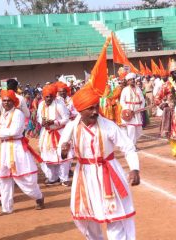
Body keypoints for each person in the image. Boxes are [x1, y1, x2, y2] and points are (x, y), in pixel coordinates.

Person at [59, 83, 140, 240]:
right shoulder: (71, 127)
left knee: (115, 216)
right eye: (90, 108)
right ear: (80, 110)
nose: (95, 111)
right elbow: (62, 152)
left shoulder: (108, 126)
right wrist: (63, 151)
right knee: (88, 219)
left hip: (109, 174)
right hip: (84, 176)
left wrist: (135, 169)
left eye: (96, 107)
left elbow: (128, 147)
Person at [0, 90, 44, 215]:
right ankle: (6, 208)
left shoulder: (18, 114)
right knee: (4, 179)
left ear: (14, 102)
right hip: (5, 149)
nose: (6, 103)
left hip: (17, 148)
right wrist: (2, 133)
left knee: (25, 178)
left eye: (8, 100)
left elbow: (14, 131)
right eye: (4, 100)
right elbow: (8, 132)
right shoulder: (3, 115)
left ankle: (38, 196)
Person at [155, 60, 176, 164]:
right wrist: (164, 105)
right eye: (175, 72)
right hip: (173, 114)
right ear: (171, 74)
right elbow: (157, 98)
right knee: (174, 137)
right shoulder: (166, 85)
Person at [37, 84, 72, 186]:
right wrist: (42, 122)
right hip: (46, 133)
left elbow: (66, 118)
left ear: (54, 96)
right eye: (46, 96)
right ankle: (53, 178)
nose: (48, 98)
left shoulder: (59, 104)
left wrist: (55, 122)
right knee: (48, 156)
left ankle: (64, 178)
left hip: (59, 133)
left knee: (63, 156)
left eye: (50, 96)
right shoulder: (41, 104)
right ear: (43, 96)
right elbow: (39, 117)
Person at [120, 72, 145, 146]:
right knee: (131, 130)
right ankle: (132, 146)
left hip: (137, 113)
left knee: (139, 131)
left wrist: (141, 108)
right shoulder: (125, 90)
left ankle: (130, 143)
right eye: (131, 80)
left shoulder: (138, 89)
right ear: (128, 81)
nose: (133, 81)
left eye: (133, 79)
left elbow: (142, 100)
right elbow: (122, 101)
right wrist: (127, 109)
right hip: (128, 113)